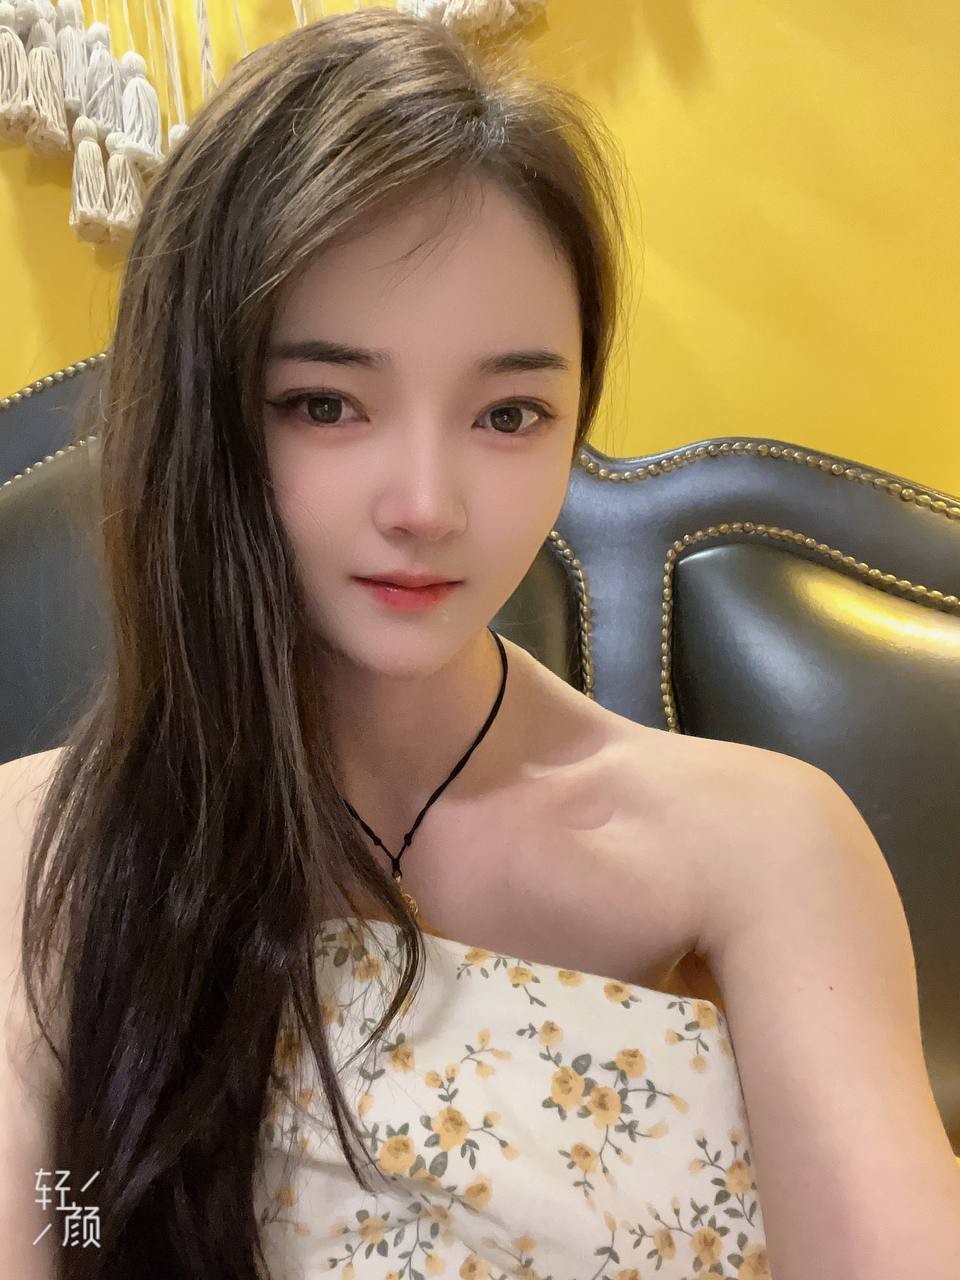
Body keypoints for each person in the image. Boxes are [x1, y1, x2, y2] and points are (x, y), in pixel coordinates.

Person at [6, 9, 959, 1280]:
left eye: (508, 413)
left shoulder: (768, 849)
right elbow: (51, 1216)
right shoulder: (46, 852)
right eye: (325, 403)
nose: (426, 504)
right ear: (203, 414)